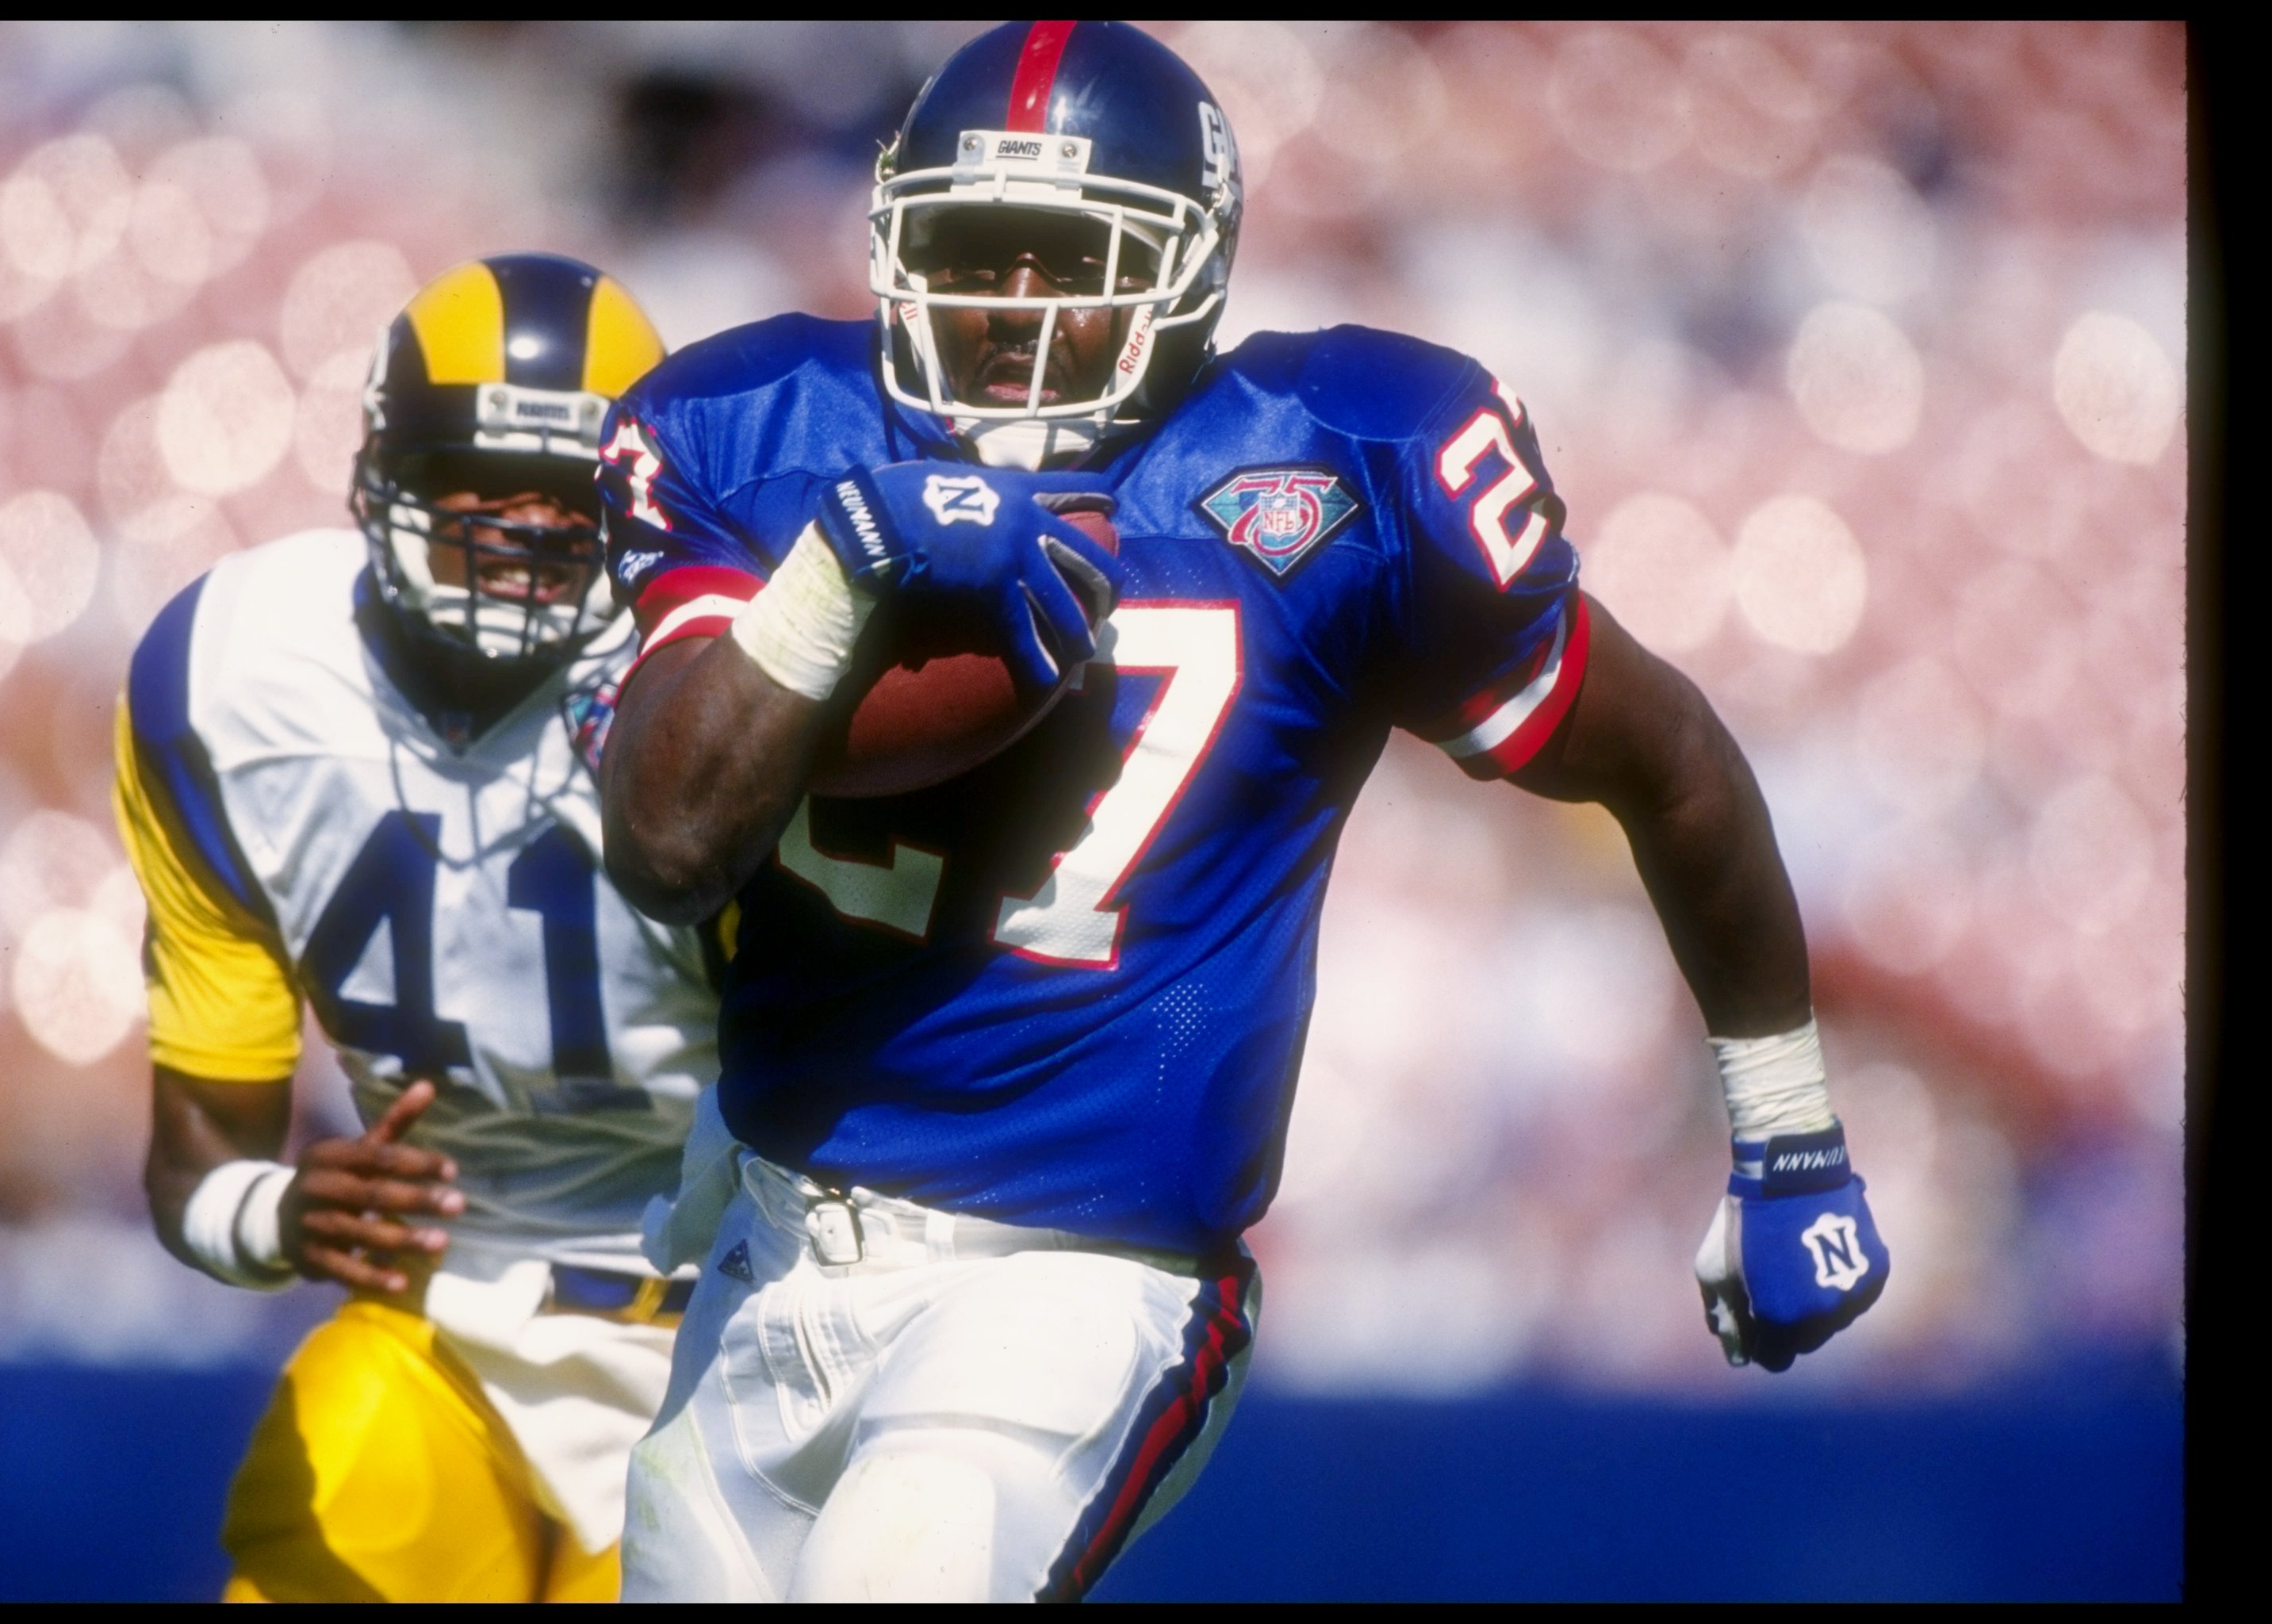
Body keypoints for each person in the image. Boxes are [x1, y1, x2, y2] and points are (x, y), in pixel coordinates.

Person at [595, 21, 1890, 1604]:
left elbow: (1666, 757)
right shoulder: (765, 431)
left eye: (1062, 259)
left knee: (898, 1568)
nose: (1009, 311)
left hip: (1077, 1284)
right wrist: (847, 561)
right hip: (768, 1244)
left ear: (1186, 271)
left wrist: (1789, 1133)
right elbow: (663, 835)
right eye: (972, 253)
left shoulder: (1342, 462)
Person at [114, 252, 718, 1601]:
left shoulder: (712, 693)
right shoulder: (231, 677)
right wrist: (280, 1213)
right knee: (329, 1480)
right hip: (446, 1310)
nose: (514, 530)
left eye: (563, 497)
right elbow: (198, 1163)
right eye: (472, 480)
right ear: (380, 467)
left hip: (732, 1334)